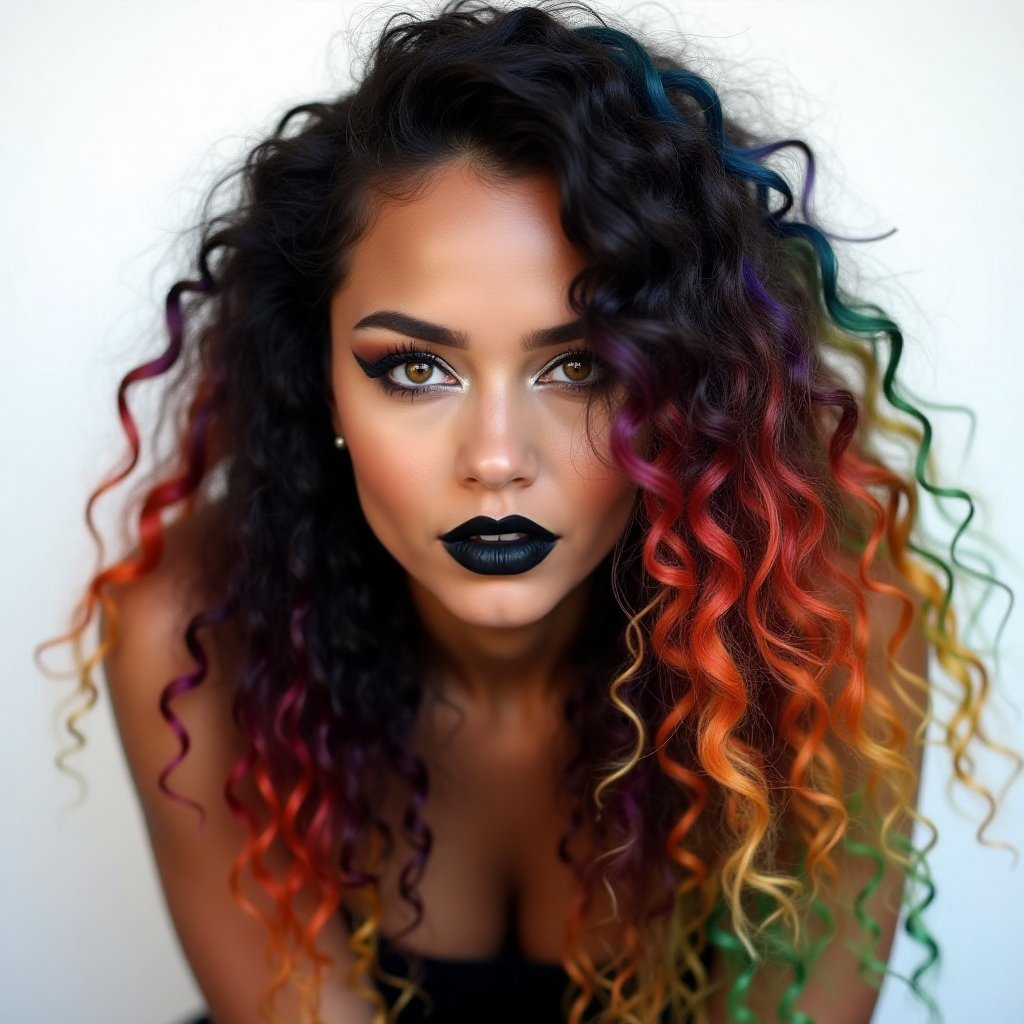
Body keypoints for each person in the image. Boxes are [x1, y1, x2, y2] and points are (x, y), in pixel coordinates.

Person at [34, 2, 1016, 1022]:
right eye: (415, 368)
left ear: (689, 383)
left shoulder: (830, 627)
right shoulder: (190, 632)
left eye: (579, 365)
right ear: (318, 381)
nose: (497, 460)